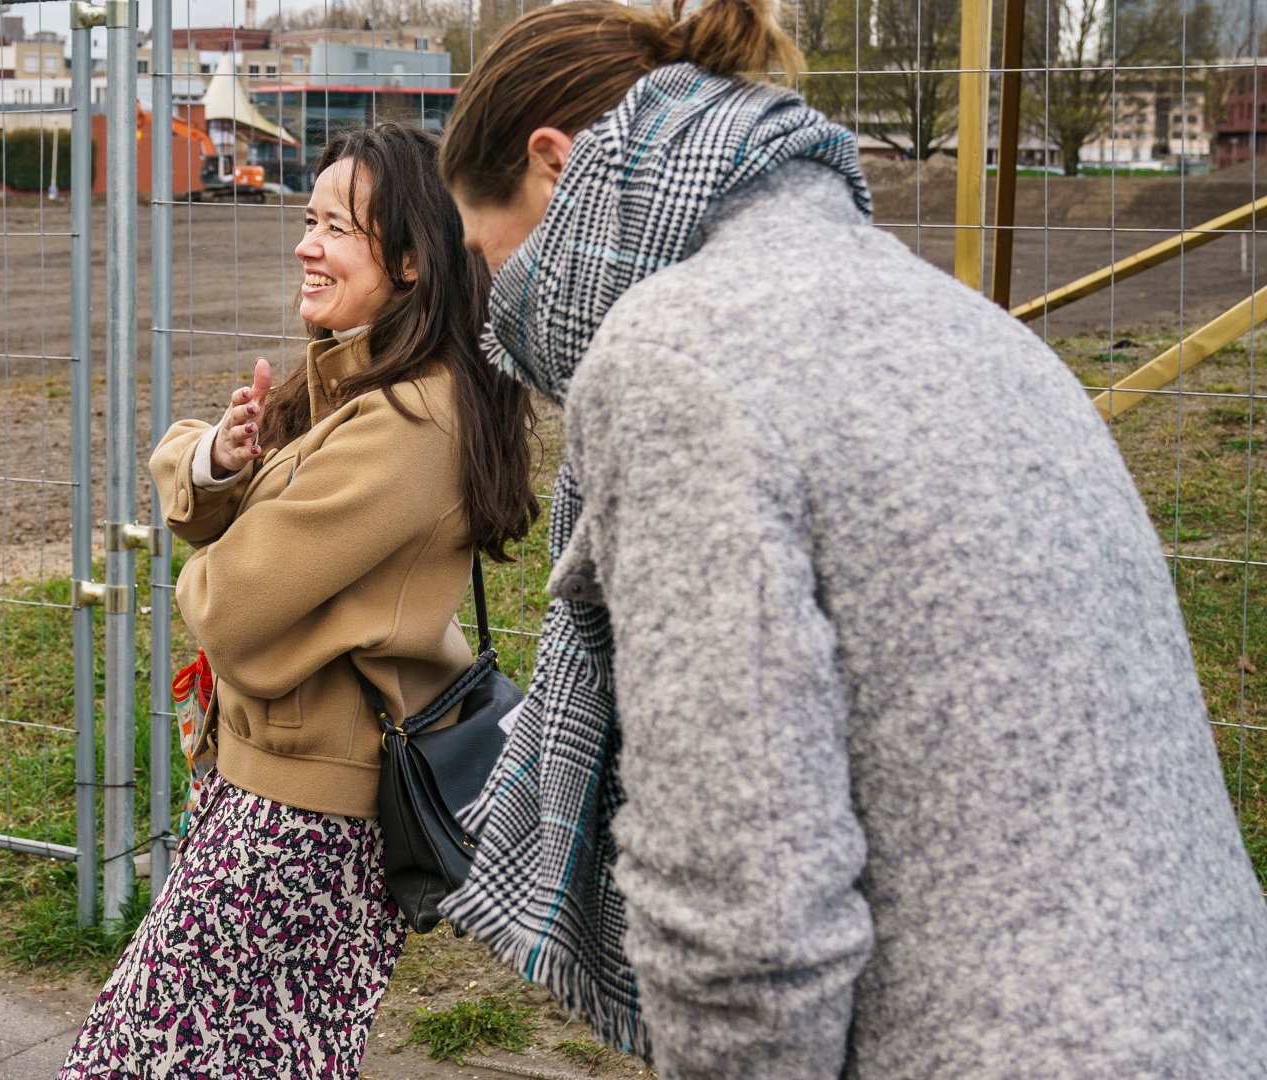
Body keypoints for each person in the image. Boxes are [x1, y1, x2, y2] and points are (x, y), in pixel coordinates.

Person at [434, 1, 1267, 1077]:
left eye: (480, 250)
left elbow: (743, 916)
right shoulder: (962, 324)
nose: (493, 304)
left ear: (552, 172)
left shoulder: (675, 357)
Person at [58, 124, 538, 1077]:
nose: (305, 244)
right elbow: (217, 504)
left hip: (304, 826)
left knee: (141, 1059)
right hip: (274, 798)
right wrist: (225, 464)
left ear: (407, 261)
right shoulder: (361, 385)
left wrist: (224, 543)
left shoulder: (407, 421)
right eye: (307, 220)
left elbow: (228, 607)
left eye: (334, 228)